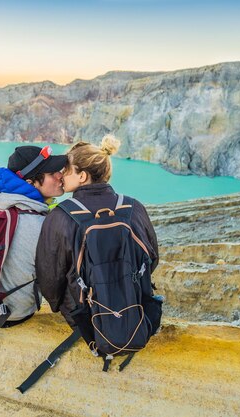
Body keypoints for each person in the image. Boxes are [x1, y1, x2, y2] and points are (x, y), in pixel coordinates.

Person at [35, 135, 159, 329]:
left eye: (66, 170)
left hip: (86, 318)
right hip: (134, 305)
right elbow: (152, 258)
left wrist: (59, 306)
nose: (61, 175)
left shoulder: (60, 215)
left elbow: (50, 278)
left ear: (82, 176)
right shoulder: (134, 207)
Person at [0, 145, 67, 327]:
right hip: (16, 312)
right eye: (52, 173)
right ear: (31, 183)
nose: (60, 176)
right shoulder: (42, 224)